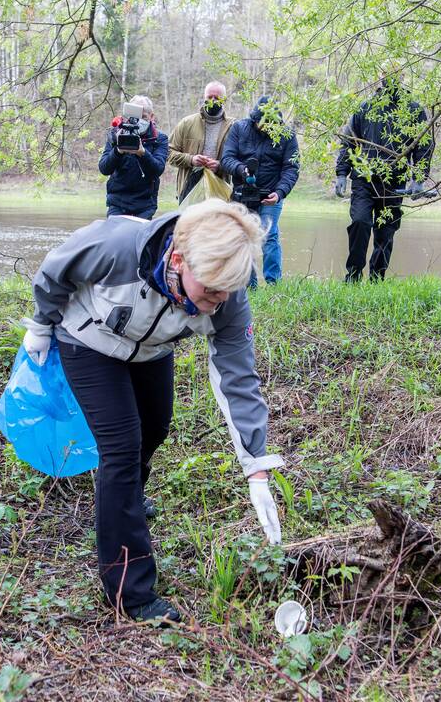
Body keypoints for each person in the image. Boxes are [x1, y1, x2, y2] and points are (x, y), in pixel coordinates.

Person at [21, 199, 285, 624]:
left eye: (227, 293)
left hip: (150, 350)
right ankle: (131, 592)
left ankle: (122, 499)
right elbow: (56, 269)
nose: (217, 303)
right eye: (210, 292)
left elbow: (238, 379)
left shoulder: (227, 298)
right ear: (178, 259)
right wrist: (40, 324)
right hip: (89, 339)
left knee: (156, 427)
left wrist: (256, 466)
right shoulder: (118, 247)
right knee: (122, 448)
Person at [334, 73, 434, 282]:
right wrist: (342, 173)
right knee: (360, 223)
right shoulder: (365, 107)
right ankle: (353, 277)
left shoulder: (414, 110)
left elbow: (423, 146)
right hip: (364, 179)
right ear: (381, 78)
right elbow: (349, 141)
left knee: (386, 232)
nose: (391, 80)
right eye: (387, 76)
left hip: (394, 182)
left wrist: (418, 179)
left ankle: (377, 279)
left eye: (397, 75)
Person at [220, 95, 300, 286]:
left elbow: (291, 168)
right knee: (243, 236)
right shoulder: (239, 128)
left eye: (269, 123)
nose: (264, 127)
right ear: (254, 119)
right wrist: (242, 169)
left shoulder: (287, 135)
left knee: (269, 234)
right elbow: (227, 158)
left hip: (271, 194)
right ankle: (249, 284)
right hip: (242, 193)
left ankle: (274, 283)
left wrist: (280, 192)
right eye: (261, 123)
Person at [98, 95, 169, 220]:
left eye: (144, 117)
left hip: (145, 204)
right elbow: (104, 168)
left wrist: (142, 153)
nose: (139, 121)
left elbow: (158, 170)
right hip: (117, 202)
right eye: (135, 117)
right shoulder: (116, 134)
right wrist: (118, 151)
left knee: (140, 239)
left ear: (152, 117)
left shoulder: (159, 138)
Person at [167, 81, 235, 202]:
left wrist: (220, 166)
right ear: (204, 97)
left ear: (224, 100)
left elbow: (239, 160)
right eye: (209, 97)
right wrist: (191, 159)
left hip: (219, 189)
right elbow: (168, 153)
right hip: (189, 188)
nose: (213, 100)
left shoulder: (233, 127)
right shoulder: (186, 123)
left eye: (217, 97)